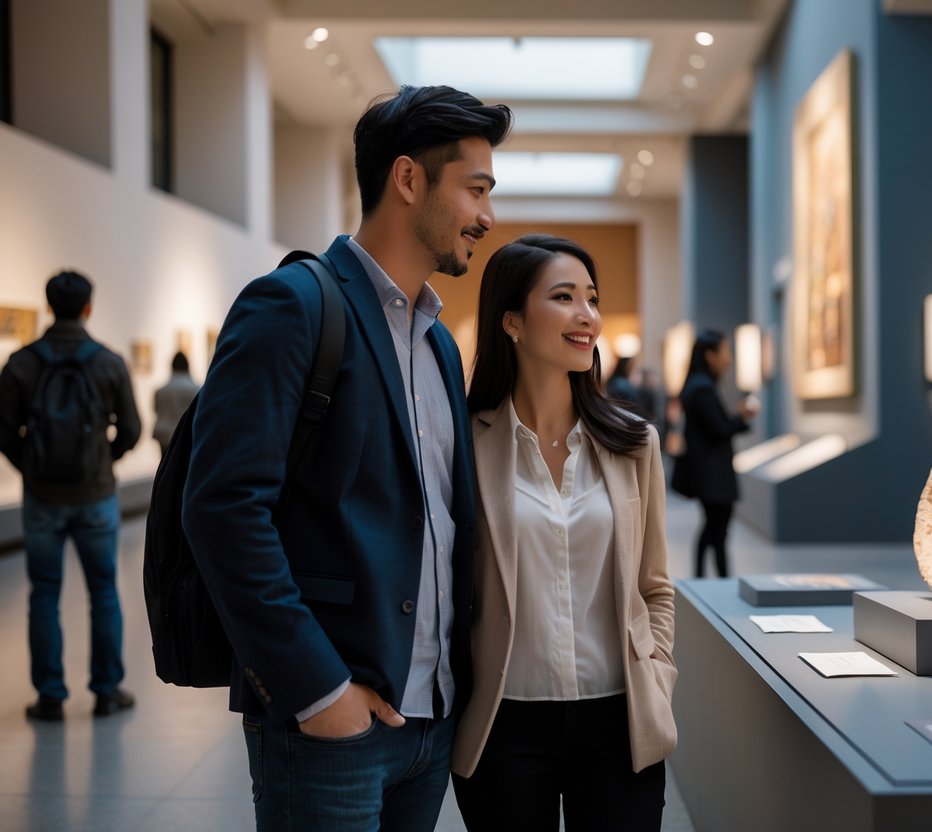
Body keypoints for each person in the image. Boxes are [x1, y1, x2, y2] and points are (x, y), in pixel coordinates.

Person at [180, 85, 512, 831]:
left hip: (428, 719)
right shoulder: (292, 306)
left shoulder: (438, 341)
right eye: (476, 189)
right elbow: (223, 509)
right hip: (330, 726)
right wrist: (318, 692)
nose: (487, 218)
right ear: (407, 179)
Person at [451, 235, 676, 831]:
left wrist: (658, 676)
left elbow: (655, 587)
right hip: (504, 725)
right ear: (513, 322)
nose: (588, 315)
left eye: (592, 298)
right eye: (564, 297)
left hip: (619, 723)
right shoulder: (466, 445)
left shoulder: (634, 443)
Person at [0, 270, 142, 721]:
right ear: (88, 308)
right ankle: (106, 691)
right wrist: (103, 459)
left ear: (48, 308)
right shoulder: (108, 361)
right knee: (103, 592)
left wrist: (33, 467)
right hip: (96, 495)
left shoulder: (21, 362)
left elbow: (5, 431)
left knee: (44, 593)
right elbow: (132, 430)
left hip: (42, 498)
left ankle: (50, 696)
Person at [676, 328, 757, 578]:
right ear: (710, 355)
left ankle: (708, 577)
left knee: (713, 528)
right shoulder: (702, 389)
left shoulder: (698, 386)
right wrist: (742, 417)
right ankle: (716, 579)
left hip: (707, 470)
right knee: (716, 529)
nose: (729, 358)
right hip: (712, 473)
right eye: (725, 351)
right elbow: (718, 429)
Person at [152, 351, 199, 455]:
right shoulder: (196, 390)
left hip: (165, 434)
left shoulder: (160, 391)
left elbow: (155, 410)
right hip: (188, 434)